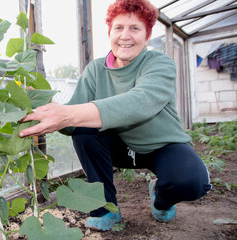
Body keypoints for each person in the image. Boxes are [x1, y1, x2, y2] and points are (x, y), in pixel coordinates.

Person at [19, 0, 212, 231]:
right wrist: (50, 107)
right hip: (117, 145)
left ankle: (160, 197)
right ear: (109, 32)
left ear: (147, 36)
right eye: (118, 28)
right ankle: (105, 207)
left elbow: (141, 101)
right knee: (82, 129)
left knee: (191, 182)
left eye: (135, 28)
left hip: (160, 145)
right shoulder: (96, 70)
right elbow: (72, 120)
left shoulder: (159, 64)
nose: (125, 36)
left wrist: (70, 114)